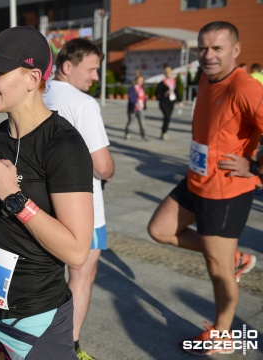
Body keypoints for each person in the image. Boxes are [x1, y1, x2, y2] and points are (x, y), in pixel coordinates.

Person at [0, 26, 94, 360]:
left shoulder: (64, 146)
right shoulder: (2, 133)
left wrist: (15, 199)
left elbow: (76, 251)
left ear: (32, 79)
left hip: (34, 317)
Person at [147, 21, 262, 356]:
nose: (208, 55)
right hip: (196, 180)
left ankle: (223, 335)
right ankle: (235, 258)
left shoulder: (246, 87)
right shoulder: (207, 76)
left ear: (236, 50)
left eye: (217, 49)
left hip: (225, 191)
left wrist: (254, 166)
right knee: (159, 228)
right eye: (203, 48)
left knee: (218, 270)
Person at [42, 38, 115, 360]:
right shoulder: (84, 103)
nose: (96, 77)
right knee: (82, 274)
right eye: (93, 69)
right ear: (67, 66)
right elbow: (103, 166)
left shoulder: (39, 94)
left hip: (42, 202)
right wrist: (110, 172)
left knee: (47, 274)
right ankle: (68, 346)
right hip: (83, 206)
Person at [155, 67, 181, 141]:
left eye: (170, 73)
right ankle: (164, 132)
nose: (169, 75)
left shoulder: (173, 81)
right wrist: (165, 93)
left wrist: (180, 101)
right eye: (167, 73)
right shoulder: (162, 82)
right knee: (167, 116)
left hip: (171, 101)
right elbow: (157, 92)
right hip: (163, 102)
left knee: (168, 117)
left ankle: (164, 131)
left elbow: (177, 92)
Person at [124, 75, 148, 141]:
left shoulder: (142, 88)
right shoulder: (132, 88)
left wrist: (144, 103)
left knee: (142, 123)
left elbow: (143, 97)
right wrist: (135, 102)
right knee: (130, 122)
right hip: (133, 108)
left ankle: (144, 136)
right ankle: (127, 133)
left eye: (142, 80)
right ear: (136, 80)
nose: (140, 82)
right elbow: (131, 97)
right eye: (139, 80)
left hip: (141, 108)